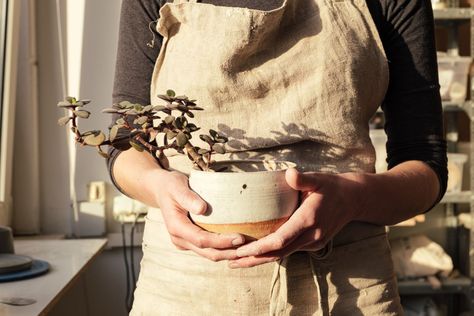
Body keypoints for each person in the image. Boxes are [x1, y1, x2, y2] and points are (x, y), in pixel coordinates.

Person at [108, 0, 447, 314]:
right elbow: (126, 145)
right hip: (187, 288)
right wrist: (157, 185)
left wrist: (354, 198)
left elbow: (425, 166)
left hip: (347, 288)